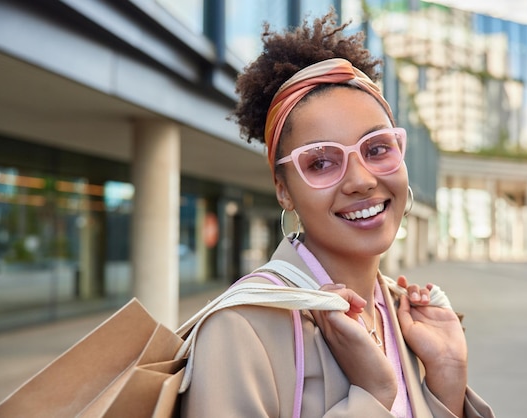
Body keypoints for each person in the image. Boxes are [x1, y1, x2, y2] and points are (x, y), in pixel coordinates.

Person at [182, 10, 494, 418]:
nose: (361, 180)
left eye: (377, 148)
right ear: (283, 190)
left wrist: (446, 383)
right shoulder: (241, 330)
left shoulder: (402, 315)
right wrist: (372, 392)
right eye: (321, 162)